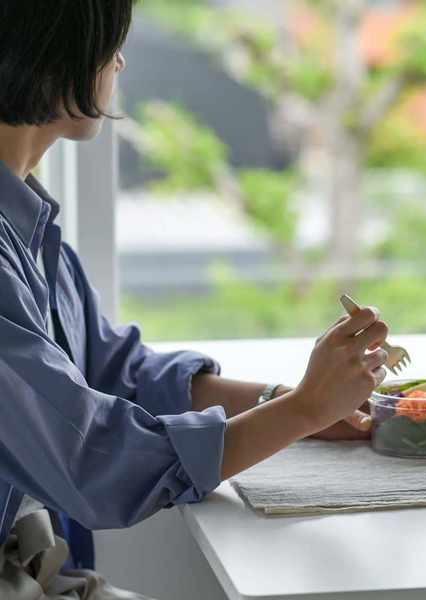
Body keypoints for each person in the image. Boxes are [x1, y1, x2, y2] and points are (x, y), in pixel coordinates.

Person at [0, 2, 389, 598]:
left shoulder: (26, 223)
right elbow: (92, 460)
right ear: (50, 55)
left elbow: (115, 372)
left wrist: (281, 401)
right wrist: (304, 410)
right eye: (109, 44)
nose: (119, 62)